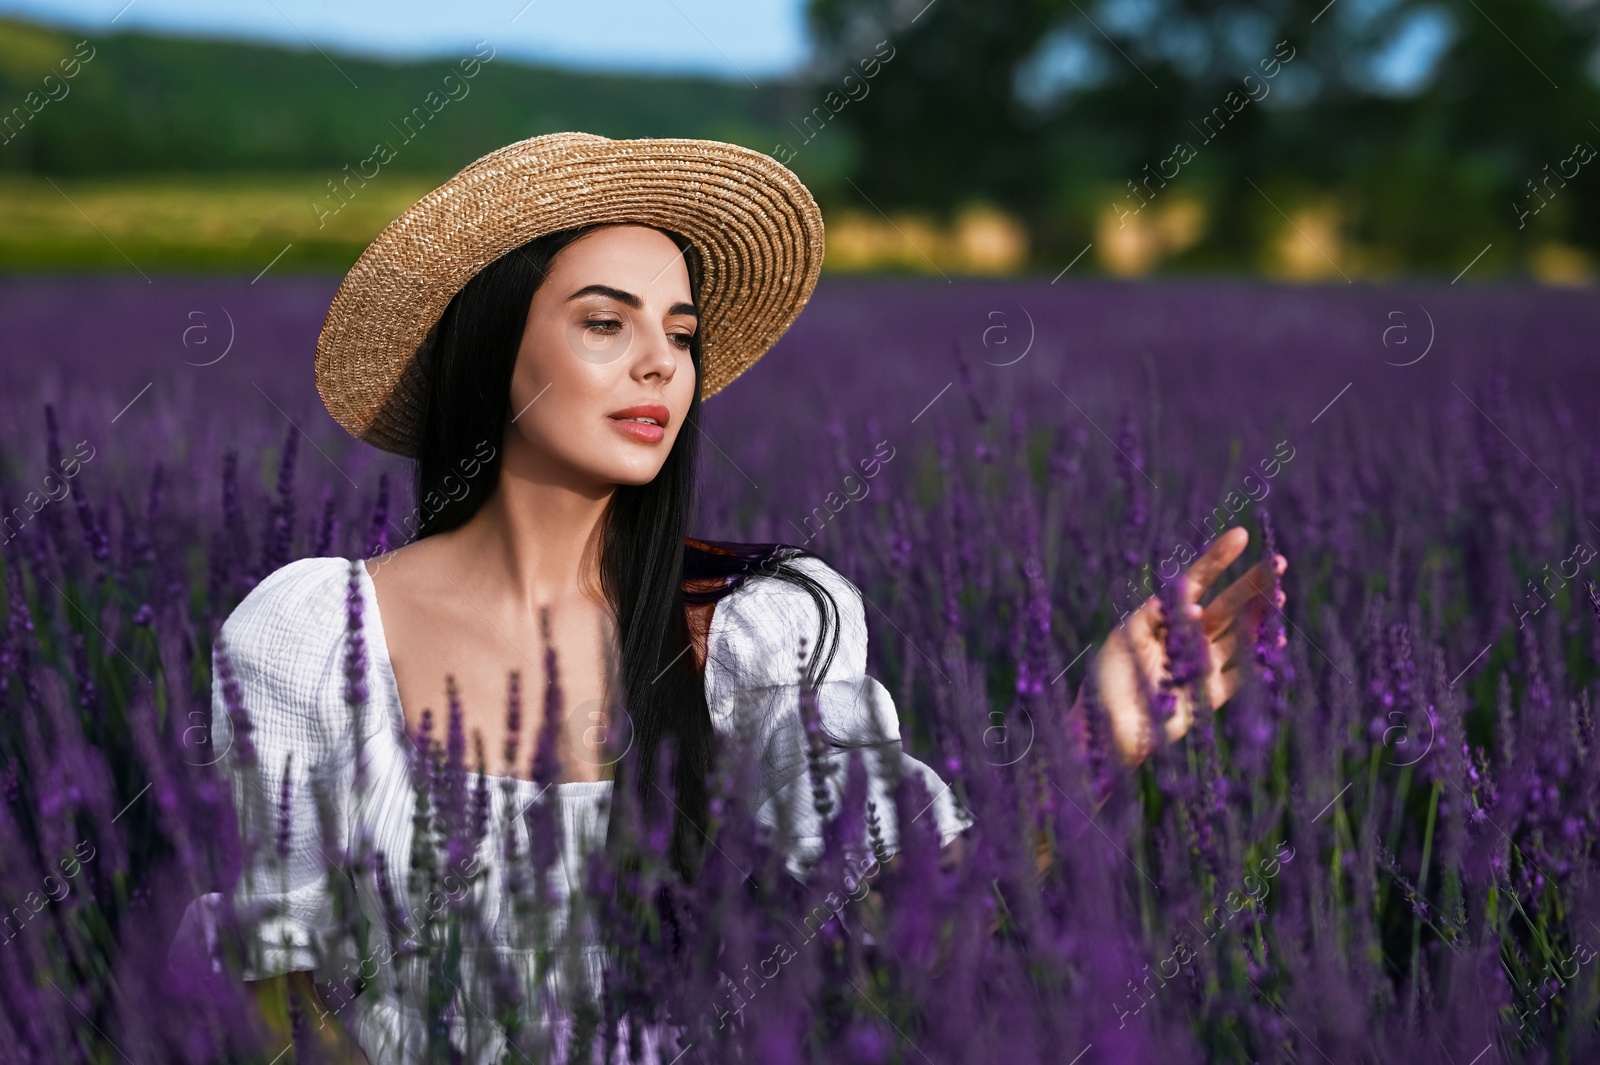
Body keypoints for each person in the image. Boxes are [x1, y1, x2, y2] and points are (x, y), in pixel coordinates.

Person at [190, 133, 1286, 1064]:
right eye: (606, 323)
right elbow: (279, 998)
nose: (661, 366)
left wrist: (1087, 743)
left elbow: (915, 910)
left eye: (680, 333)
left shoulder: (757, 626)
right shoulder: (310, 633)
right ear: (490, 352)